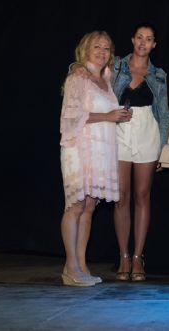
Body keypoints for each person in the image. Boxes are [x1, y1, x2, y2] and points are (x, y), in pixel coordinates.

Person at [59, 31, 131, 286]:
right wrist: (108, 117)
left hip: (101, 150)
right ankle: (70, 267)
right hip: (79, 148)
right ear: (85, 49)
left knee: (89, 207)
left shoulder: (107, 78)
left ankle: (81, 265)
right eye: (96, 47)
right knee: (76, 205)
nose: (102, 52)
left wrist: (118, 115)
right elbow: (70, 118)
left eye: (107, 48)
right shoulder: (77, 77)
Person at [111, 23, 169, 282]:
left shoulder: (159, 75)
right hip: (119, 132)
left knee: (142, 196)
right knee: (120, 197)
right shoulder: (115, 66)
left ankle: (138, 257)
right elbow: (87, 74)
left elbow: (164, 114)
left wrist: (163, 149)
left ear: (154, 45)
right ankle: (123, 256)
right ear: (133, 40)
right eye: (139, 37)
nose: (143, 43)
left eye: (149, 39)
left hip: (148, 131)